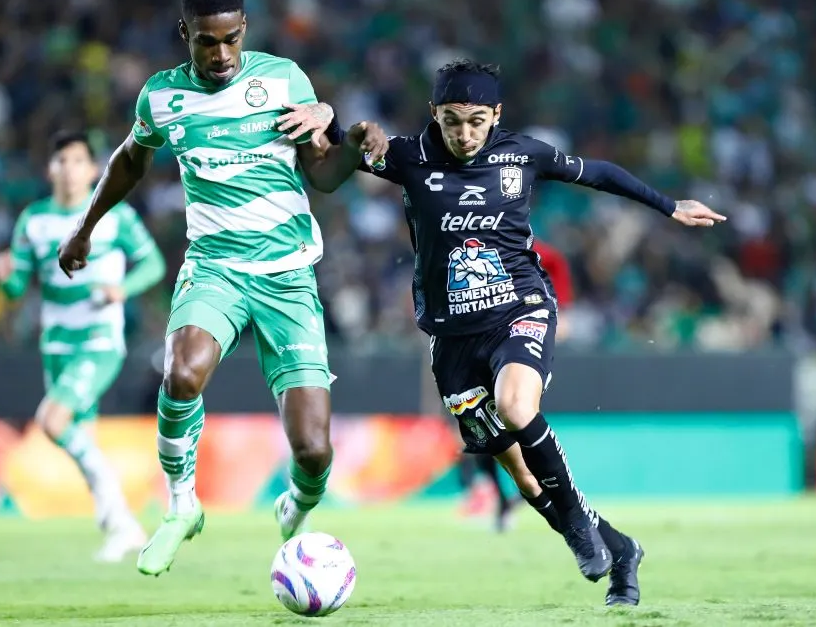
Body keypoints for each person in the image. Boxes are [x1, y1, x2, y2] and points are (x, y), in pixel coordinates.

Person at [307, 59, 726, 605]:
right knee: (525, 481)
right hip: (451, 337)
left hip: (519, 306)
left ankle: (579, 529)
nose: (464, 134)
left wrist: (669, 206)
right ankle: (621, 550)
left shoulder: (522, 155)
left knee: (515, 404)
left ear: (496, 115)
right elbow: (338, 148)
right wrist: (331, 118)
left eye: (477, 121)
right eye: (453, 120)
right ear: (435, 114)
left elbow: (598, 172)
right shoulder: (409, 156)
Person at [55, 0, 388, 577]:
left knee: (314, 450)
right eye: (208, 42)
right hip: (215, 269)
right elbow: (130, 160)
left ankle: (298, 502)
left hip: (288, 277)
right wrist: (85, 227)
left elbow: (323, 173)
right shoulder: (161, 98)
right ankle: (181, 505)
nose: (222, 54)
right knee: (182, 374)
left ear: (245, 30)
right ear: (185, 34)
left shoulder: (283, 80)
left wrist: (355, 145)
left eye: (232, 39)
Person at [0, 130, 166, 562]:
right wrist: (5, 275)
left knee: (52, 419)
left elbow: (155, 264)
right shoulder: (34, 220)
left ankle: (120, 523)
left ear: (93, 169)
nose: (69, 169)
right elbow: (18, 287)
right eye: (61, 161)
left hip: (99, 341)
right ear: (51, 169)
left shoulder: (115, 216)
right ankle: (120, 525)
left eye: (77, 161)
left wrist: (122, 289)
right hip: (56, 344)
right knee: (75, 436)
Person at [460, 238, 577, 532]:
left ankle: (532, 494)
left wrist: (555, 315)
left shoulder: (529, 248)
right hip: (478, 347)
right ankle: (503, 497)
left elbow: (557, 274)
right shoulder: (462, 247)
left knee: (515, 423)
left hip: (519, 348)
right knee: (486, 430)